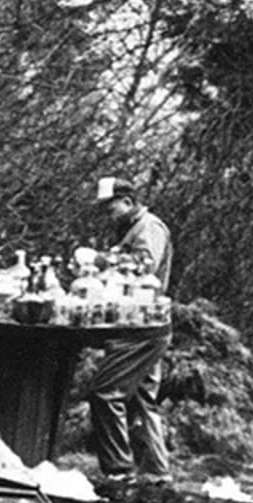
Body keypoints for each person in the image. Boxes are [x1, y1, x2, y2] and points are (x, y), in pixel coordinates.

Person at [86, 176, 173, 482]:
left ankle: (119, 472)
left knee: (106, 392)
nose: (107, 214)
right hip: (143, 323)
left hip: (141, 326)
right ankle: (156, 473)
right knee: (141, 399)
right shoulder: (129, 228)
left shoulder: (148, 227)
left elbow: (144, 266)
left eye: (111, 207)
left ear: (127, 201)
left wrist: (99, 260)